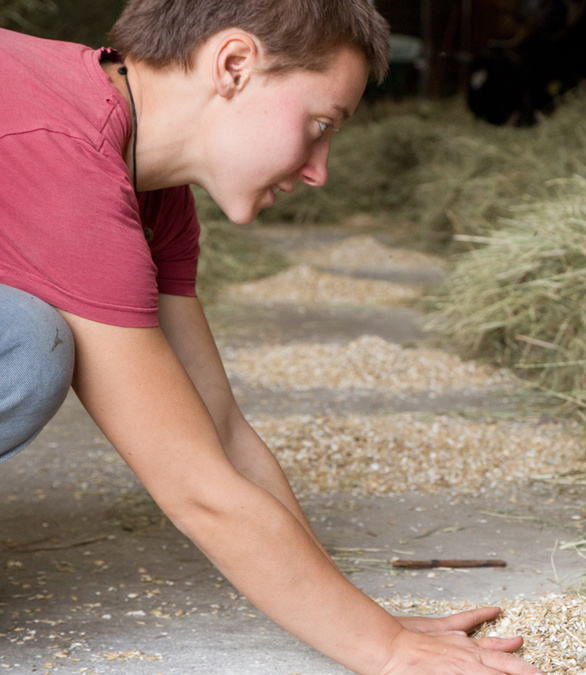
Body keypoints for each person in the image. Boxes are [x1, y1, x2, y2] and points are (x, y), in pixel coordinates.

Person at [0, 1, 543, 673]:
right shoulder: (62, 151)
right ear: (233, 65)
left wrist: (358, 618)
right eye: (320, 125)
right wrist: (385, 650)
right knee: (25, 347)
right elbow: (197, 486)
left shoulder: (151, 192)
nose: (320, 170)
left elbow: (220, 430)